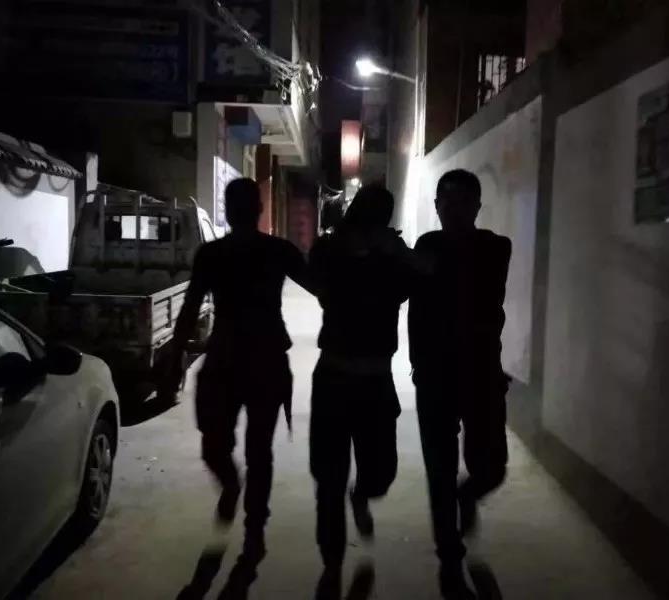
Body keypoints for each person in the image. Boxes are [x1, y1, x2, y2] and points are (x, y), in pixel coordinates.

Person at [163, 177, 312, 594]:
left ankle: (246, 513)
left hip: (233, 360)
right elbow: (323, 286)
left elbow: (189, 311)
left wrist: (174, 360)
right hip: (257, 361)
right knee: (256, 452)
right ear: (260, 209)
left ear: (229, 211)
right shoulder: (274, 251)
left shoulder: (217, 253)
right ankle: (250, 521)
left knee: (224, 449)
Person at [308, 184, 414, 598]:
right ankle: (331, 560)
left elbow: (419, 276)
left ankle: (362, 496)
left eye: (381, 215)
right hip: (333, 377)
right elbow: (319, 281)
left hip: (376, 381)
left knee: (381, 472)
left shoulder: (392, 256)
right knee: (328, 478)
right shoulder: (329, 250)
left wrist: (393, 251)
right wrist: (354, 251)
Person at [409, 169, 512, 600]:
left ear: (476, 207)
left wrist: (413, 261)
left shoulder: (495, 247)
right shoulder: (426, 246)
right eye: (446, 202)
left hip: (481, 373)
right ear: (436, 206)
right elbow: (415, 302)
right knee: (439, 470)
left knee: (491, 466)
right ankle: (448, 551)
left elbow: (467, 284)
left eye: (462, 202)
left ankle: (467, 497)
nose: (452, 210)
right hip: (434, 375)